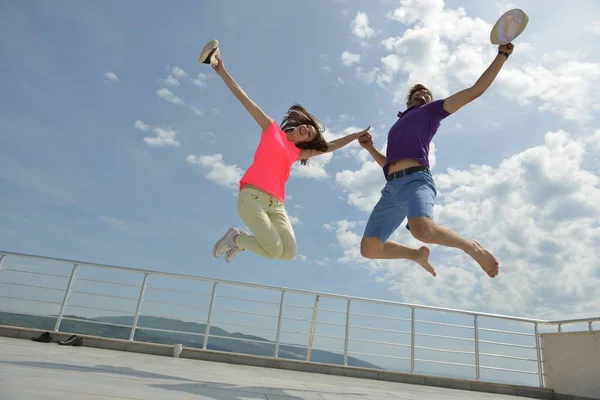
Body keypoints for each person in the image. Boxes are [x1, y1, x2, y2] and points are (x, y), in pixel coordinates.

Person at [199, 40, 370, 263]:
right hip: (251, 197)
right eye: (307, 127)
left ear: (305, 142)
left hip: (276, 204)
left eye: (309, 134)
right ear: (298, 125)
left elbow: (331, 146)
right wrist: (222, 72)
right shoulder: (271, 129)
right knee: (272, 249)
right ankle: (237, 239)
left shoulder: (298, 153)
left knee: (287, 253)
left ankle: (241, 241)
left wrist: (355, 135)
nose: (307, 129)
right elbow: (244, 98)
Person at [358, 43, 515, 278]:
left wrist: (502, 56)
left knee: (422, 230)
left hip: (416, 181)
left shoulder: (430, 112)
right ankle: (416, 255)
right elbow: (389, 163)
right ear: (408, 99)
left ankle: (471, 247)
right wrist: (370, 148)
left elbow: (475, 90)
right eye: (417, 92)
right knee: (369, 248)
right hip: (391, 188)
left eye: (426, 93)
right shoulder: (397, 125)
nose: (423, 93)